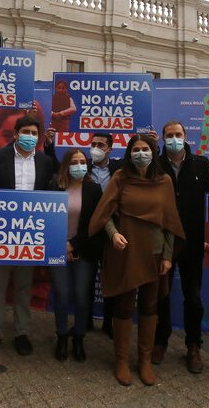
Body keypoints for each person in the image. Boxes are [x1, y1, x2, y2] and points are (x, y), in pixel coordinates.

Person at [88, 134, 184, 386]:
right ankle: (120, 360)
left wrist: (167, 256)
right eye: (136, 149)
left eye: (145, 149)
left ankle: (144, 359)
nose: (141, 153)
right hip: (126, 251)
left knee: (150, 306)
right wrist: (114, 234)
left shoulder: (164, 181)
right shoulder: (120, 178)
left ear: (153, 152)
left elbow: (170, 222)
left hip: (154, 253)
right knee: (124, 306)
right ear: (129, 153)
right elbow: (105, 213)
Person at [0, 115, 54, 358]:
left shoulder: (45, 161)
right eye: (26, 131)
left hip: (29, 236)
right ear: (16, 133)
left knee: (23, 287)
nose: (30, 136)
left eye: (34, 132)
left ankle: (22, 332)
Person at [151, 121, 209, 373]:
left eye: (178, 135)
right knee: (161, 294)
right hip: (163, 241)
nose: (174, 138)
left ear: (185, 137)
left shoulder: (201, 163)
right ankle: (160, 340)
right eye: (169, 135)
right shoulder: (156, 163)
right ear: (163, 138)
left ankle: (193, 345)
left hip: (193, 241)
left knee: (194, 297)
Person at [47, 148, 103, 362]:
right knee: (60, 294)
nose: (79, 165)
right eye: (74, 161)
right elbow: (48, 218)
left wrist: (72, 245)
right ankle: (61, 336)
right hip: (56, 248)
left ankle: (79, 337)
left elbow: (93, 224)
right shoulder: (54, 186)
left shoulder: (94, 189)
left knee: (81, 296)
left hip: (83, 250)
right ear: (66, 165)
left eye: (82, 161)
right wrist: (61, 244)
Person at [88, 132, 122, 336]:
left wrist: (153, 144)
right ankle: (87, 319)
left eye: (101, 145)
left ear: (109, 149)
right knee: (87, 278)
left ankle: (109, 322)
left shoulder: (118, 168)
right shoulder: (83, 167)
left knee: (111, 279)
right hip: (89, 231)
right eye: (93, 144)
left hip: (112, 231)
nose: (96, 148)